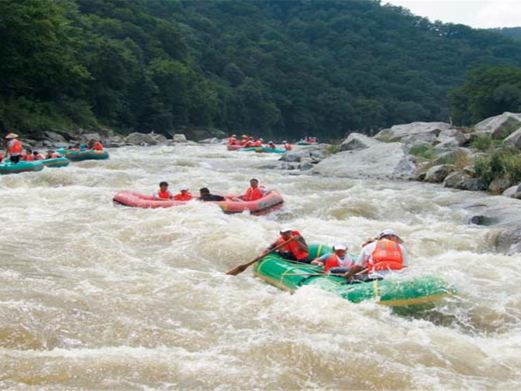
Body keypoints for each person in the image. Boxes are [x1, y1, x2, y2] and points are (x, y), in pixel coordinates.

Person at [344, 229, 409, 279]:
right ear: (392, 238)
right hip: (397, 278)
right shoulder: (402, 248)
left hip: (376, 277)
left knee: (353, 278)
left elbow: (358, 266)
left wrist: (349, 275)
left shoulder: (369, 246)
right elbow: (404, 267)